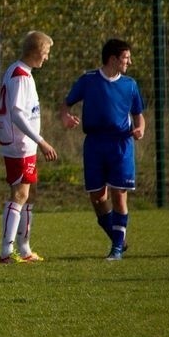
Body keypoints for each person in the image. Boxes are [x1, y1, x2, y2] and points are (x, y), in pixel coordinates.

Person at [59, 38, 145, 261]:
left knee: (119, 195)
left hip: (121, 144)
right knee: (97, 197)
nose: (130, 62)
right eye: (126, 57)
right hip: (95, 144)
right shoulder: (89, 80)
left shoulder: (130, 84)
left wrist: (140, 129)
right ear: (113, 59)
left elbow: (139, 116)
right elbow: (66, 103)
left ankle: (116, 249)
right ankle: (118, 238)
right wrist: (65, 117)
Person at [0, 31, 58, 264]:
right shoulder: (21, 76)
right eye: (46, 53)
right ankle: (6, 251)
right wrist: (40, 140)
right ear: (35, 51)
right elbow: (17, 113)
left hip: (21, 143)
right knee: (20, 194)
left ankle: (24, 248)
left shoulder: (17, 70)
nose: (47, 58)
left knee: (29, 194)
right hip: (20, 144)